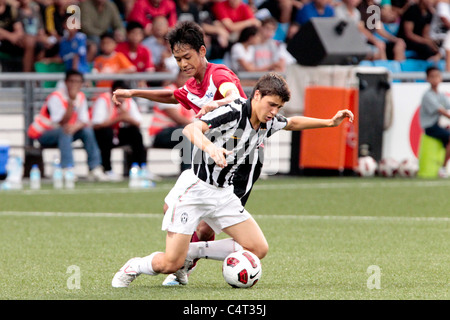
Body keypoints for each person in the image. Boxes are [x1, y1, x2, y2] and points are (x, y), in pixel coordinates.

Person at [111, 72, 354, 288]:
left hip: (223, 194)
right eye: (271, 105)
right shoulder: (234, 110)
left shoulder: (267, 122)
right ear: (256, 95)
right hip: (196, 189)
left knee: (258, 249)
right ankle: (135, 266)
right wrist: (212, 149)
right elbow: (190, 130)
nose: (274, 112)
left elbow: (292, 122)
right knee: (169, 263)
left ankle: (192, 252)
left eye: (278, 107)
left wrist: (329, 122)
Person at [111, 20, 248, 285]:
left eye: (187, 57)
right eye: (177, 59)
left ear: (202, 51)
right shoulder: (194, 85)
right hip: (210, 157)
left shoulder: (218, 75)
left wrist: (216, 103)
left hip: (239, 161)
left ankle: (179, 263)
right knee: (170, 207)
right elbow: (173, 96)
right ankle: (179, 264)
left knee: (207, 229)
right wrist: (133, 92)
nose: (183, 64)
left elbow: (235, 98)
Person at [27, 69, 109, 181]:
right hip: (45, 133)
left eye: (78, 82)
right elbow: (62, 122)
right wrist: (71, 101)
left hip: (67, 132)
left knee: (87, 131)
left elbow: (84, 120)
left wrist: (75, 127)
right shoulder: (56, 97)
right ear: (66, 82)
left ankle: (95, 167)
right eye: (72, 81)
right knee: (64, 131)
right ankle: (67, 168)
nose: (74, 84)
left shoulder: (81, 96)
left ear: (82, 84)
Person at [91, 80, 147, 181]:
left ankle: (140, 168)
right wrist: (119, 118)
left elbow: (138, 121)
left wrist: (127, 117)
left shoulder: (129, 102)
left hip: (118, 134)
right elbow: (97, 124)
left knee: (136, 133)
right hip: (103, 135)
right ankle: (107, 169)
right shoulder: (103, 100)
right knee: (106, 133)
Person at [420, 66, 450, 174]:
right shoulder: (428, 95)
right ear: (427, 79)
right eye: (432, 77)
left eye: (437, 76)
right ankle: (443, 167)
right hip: (430, 127)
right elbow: (441, 111)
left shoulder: (441, 95)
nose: (435, 79)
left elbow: (448, 105)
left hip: (438, 126)